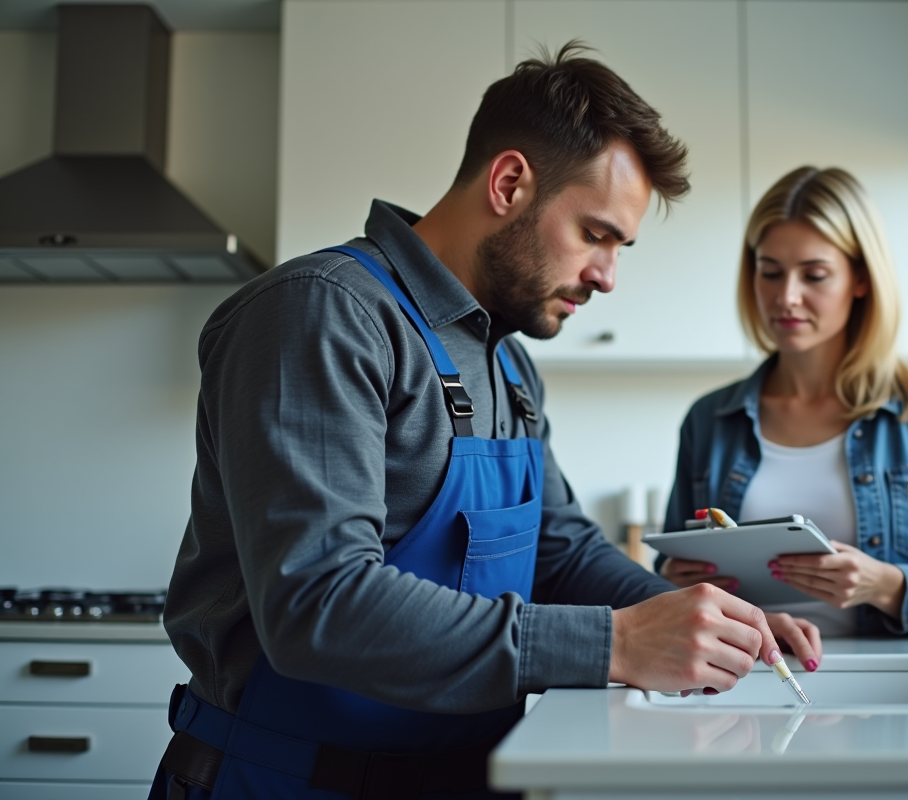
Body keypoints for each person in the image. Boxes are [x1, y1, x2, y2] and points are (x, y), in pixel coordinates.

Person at [150, 45, 813, 799]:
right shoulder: (324, 313)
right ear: (509, 183)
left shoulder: (508, 364)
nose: (607, 276)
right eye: (596, 234)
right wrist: (619, 642)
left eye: (620, 247)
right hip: (284, 780)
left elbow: (559, 555)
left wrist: (703, 620)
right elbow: (317, 602)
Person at [660, 166, 908, 653]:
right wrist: (676, 580)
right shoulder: (709, 421)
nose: (786, 297)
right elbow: (671, 581)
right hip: (740, 676)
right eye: (770, 271)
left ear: (860, 278)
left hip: (879, 686)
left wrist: (885, 585)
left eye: (814, 275)